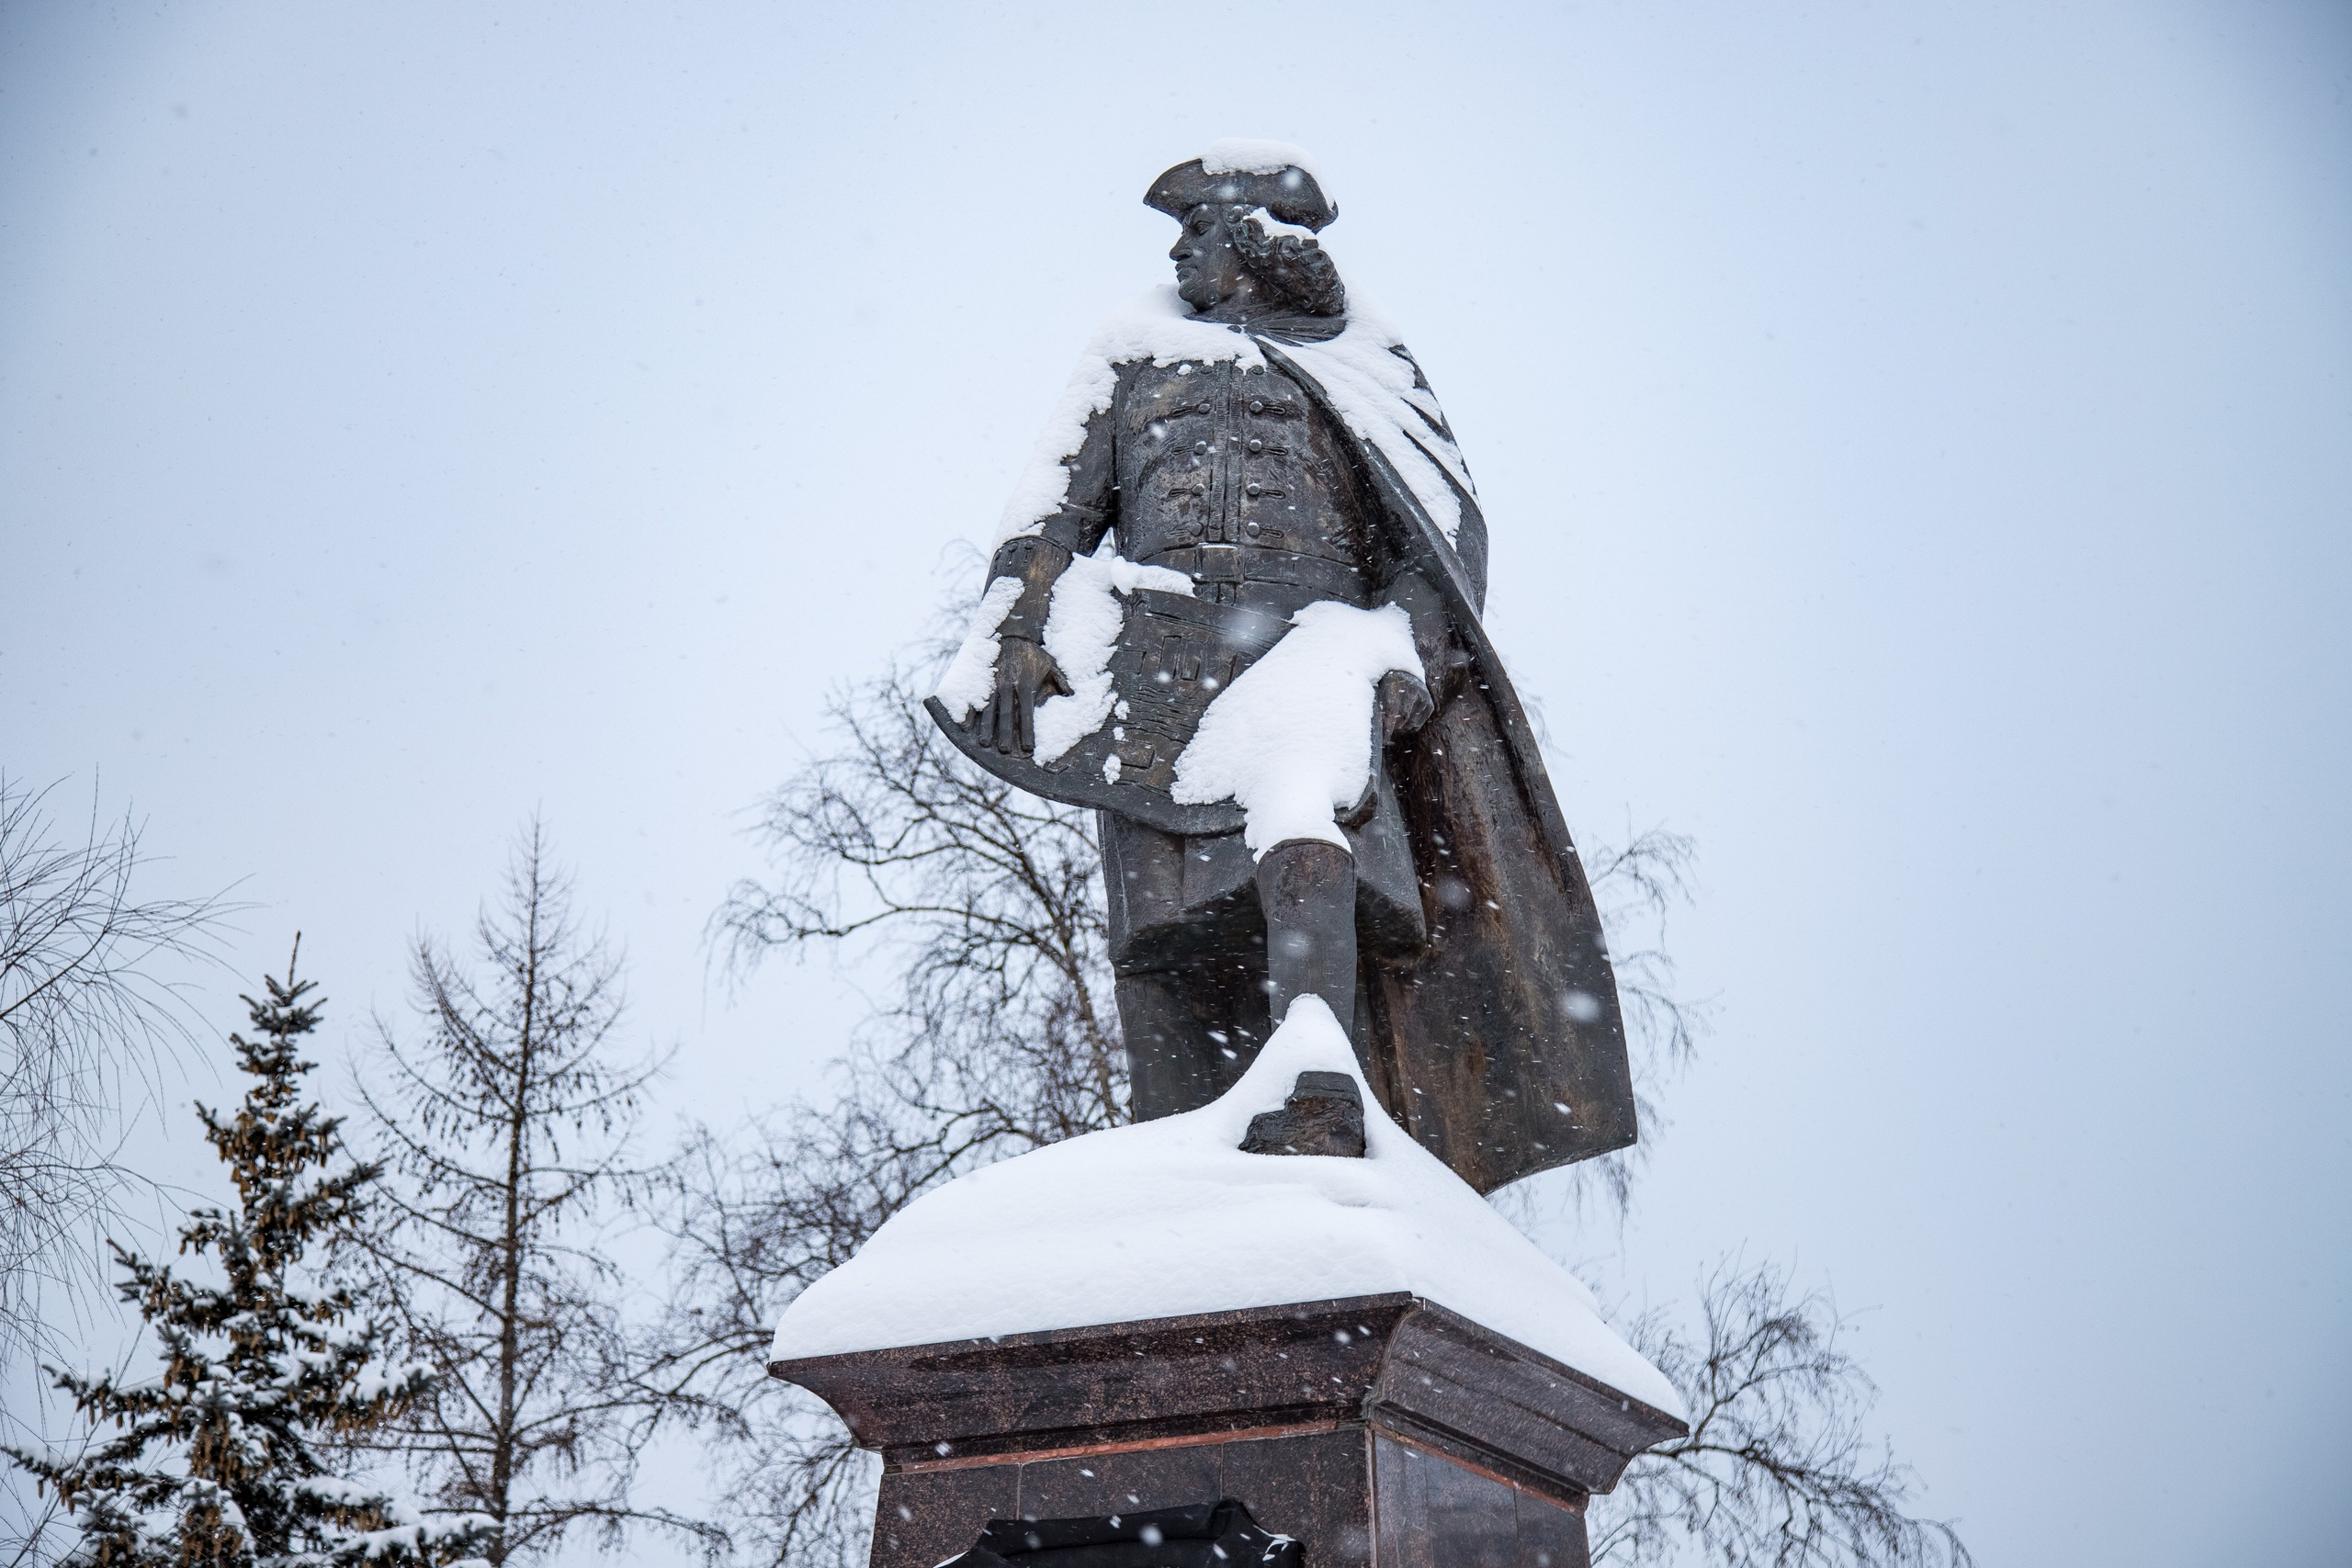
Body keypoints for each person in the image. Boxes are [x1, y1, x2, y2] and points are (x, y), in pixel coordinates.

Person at [931, 143, 1635, 1192]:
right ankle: (1171, 1146)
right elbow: (1054, 513)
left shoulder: (1368, 361)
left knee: (1301, 819)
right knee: (1161, 938)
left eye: (1197, 231)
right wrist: (1018, 625)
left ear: (1254, 244)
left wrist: (1397, 654)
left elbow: (1440, 540)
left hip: (1315, 644)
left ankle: (1316, 1080)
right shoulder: (1132, 355)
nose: (1178, 254)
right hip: (1158, 670)